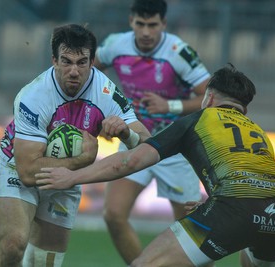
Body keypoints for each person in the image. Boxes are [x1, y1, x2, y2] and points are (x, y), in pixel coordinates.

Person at [36, 64, 275, 267]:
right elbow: (251, 177)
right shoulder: (259, 132)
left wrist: (72, 177)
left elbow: (131, 160)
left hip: (237, 206)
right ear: (245, 108)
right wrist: (217, 203)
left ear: (208, 97)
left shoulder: (199, 119)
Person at [0, 23, 150, 267]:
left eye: (82, 62)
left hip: (67, 177)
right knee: (13, 245)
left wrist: (127, 134)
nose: (74, 71)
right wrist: (81, 161)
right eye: (66, 61)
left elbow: (146, 142)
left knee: (46, 262)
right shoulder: (33, 97)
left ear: (92, 61)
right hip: (17, 167)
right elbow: (28, 171)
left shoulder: (105, 91)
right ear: (54, 60)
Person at [93, 0, 210, 263]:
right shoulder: (115, 45)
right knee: (113, 214)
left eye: (153, 25)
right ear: (131, 21)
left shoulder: (179, 52)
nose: (146, 32)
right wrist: (99, 115)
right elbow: (89, 73)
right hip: (136, 141)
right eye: (141, 24)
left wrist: (169, 105)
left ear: (164, 24)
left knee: (192, 230)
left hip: (177, 147)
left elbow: (209, 96)